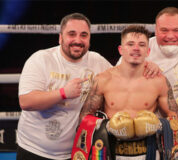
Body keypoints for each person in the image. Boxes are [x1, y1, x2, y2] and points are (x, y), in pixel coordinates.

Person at [16, 13, 159, 160]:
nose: (78, 40)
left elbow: (123, 75)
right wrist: (63, 93)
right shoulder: (41, 59)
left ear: (89, 38)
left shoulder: (97, 62)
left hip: (77, 153)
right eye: (72, 34)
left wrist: (147, 64)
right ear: (60, 38)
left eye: (83, 35)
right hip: (34, 150)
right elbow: (26, 102)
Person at [77, 25, 178, 160]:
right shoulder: (103, 79)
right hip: (111, 150)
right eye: (130, 44)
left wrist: (159, 125)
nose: (136, 48)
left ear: (148, 51)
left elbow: (175, 117)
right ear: (121, 50)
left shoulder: (159, 81)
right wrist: (107, 126)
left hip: (148, 151)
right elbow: (84, 117)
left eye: (141, 45)